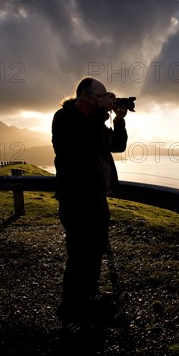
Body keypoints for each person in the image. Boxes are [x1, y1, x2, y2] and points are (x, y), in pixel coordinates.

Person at [51, 77, 128, 334]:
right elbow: (78, 144)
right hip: (75, 198)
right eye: (101, 96)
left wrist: (118, 120)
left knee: (97, 249)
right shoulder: (64, 118)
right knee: (79, 257)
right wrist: (101, 114)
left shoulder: (96, 122)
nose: (106, 100)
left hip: (96, 197)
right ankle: (71, 315)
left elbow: (117, 145)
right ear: (85, 95)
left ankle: (91, 293)